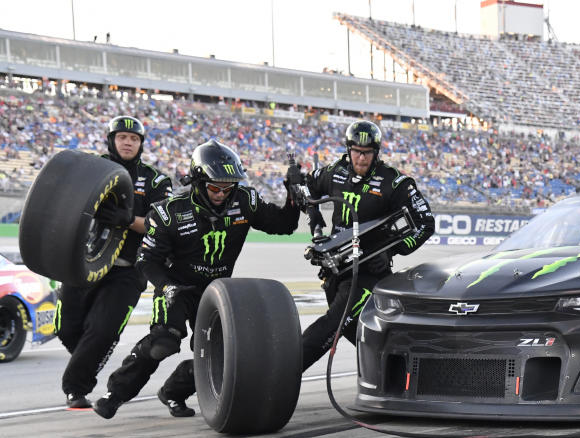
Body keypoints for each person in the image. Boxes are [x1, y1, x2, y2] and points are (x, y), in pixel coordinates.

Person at [93, 139, 300, 419]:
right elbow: (146, 261)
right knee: (163, 343)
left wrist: (293, 194)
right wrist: (166, 287)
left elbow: (285, 225)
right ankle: (115, 394)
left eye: (229, 187)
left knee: (226, 354)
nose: (222, 194)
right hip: (177, 287)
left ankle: (174, 392)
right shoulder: (169, 213)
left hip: (218, 291)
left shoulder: (245, 200)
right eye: (215, 187)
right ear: (198, 181)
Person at [287, 120, 434, 373]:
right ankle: (403, 375)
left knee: (332, 325)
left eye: (367, 153)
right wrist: (309, 209)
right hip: (335, 271)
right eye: (356, 151)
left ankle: (278, 375)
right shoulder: (335, 171)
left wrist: (392, 250)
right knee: (362, 335)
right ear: (348, 149)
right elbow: (304, 188)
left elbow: (426, 222)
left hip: (368, 273)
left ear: (376, 152)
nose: (361, 158)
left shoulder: (394, 181)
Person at [59, 116, 172, 409]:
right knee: (66, 326)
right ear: (111, 140)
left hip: (128, 269)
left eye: (134, 139)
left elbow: (162, 224)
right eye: (122, 137)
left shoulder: (157, 180)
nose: (128, 142)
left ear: (141, 144)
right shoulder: (90, 169)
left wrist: (129, 220)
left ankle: (76, 387)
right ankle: (90, 358)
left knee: (102, 330)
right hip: (83, 262)